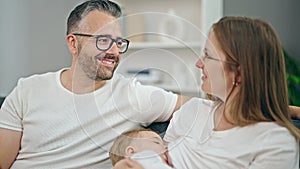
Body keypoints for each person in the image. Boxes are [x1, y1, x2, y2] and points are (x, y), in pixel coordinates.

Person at [0, 0, 189, 168]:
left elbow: (199, 108)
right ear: (73, 44)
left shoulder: (132, 95)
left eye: (118, 42)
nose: (114, 51)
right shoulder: (27, 90)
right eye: (103, 40)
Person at [113, 16, 300, 169]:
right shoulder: (193, 111)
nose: (199, 64)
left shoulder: (275, 144)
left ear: (239, 72)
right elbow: (160, 158)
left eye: (208, 56)